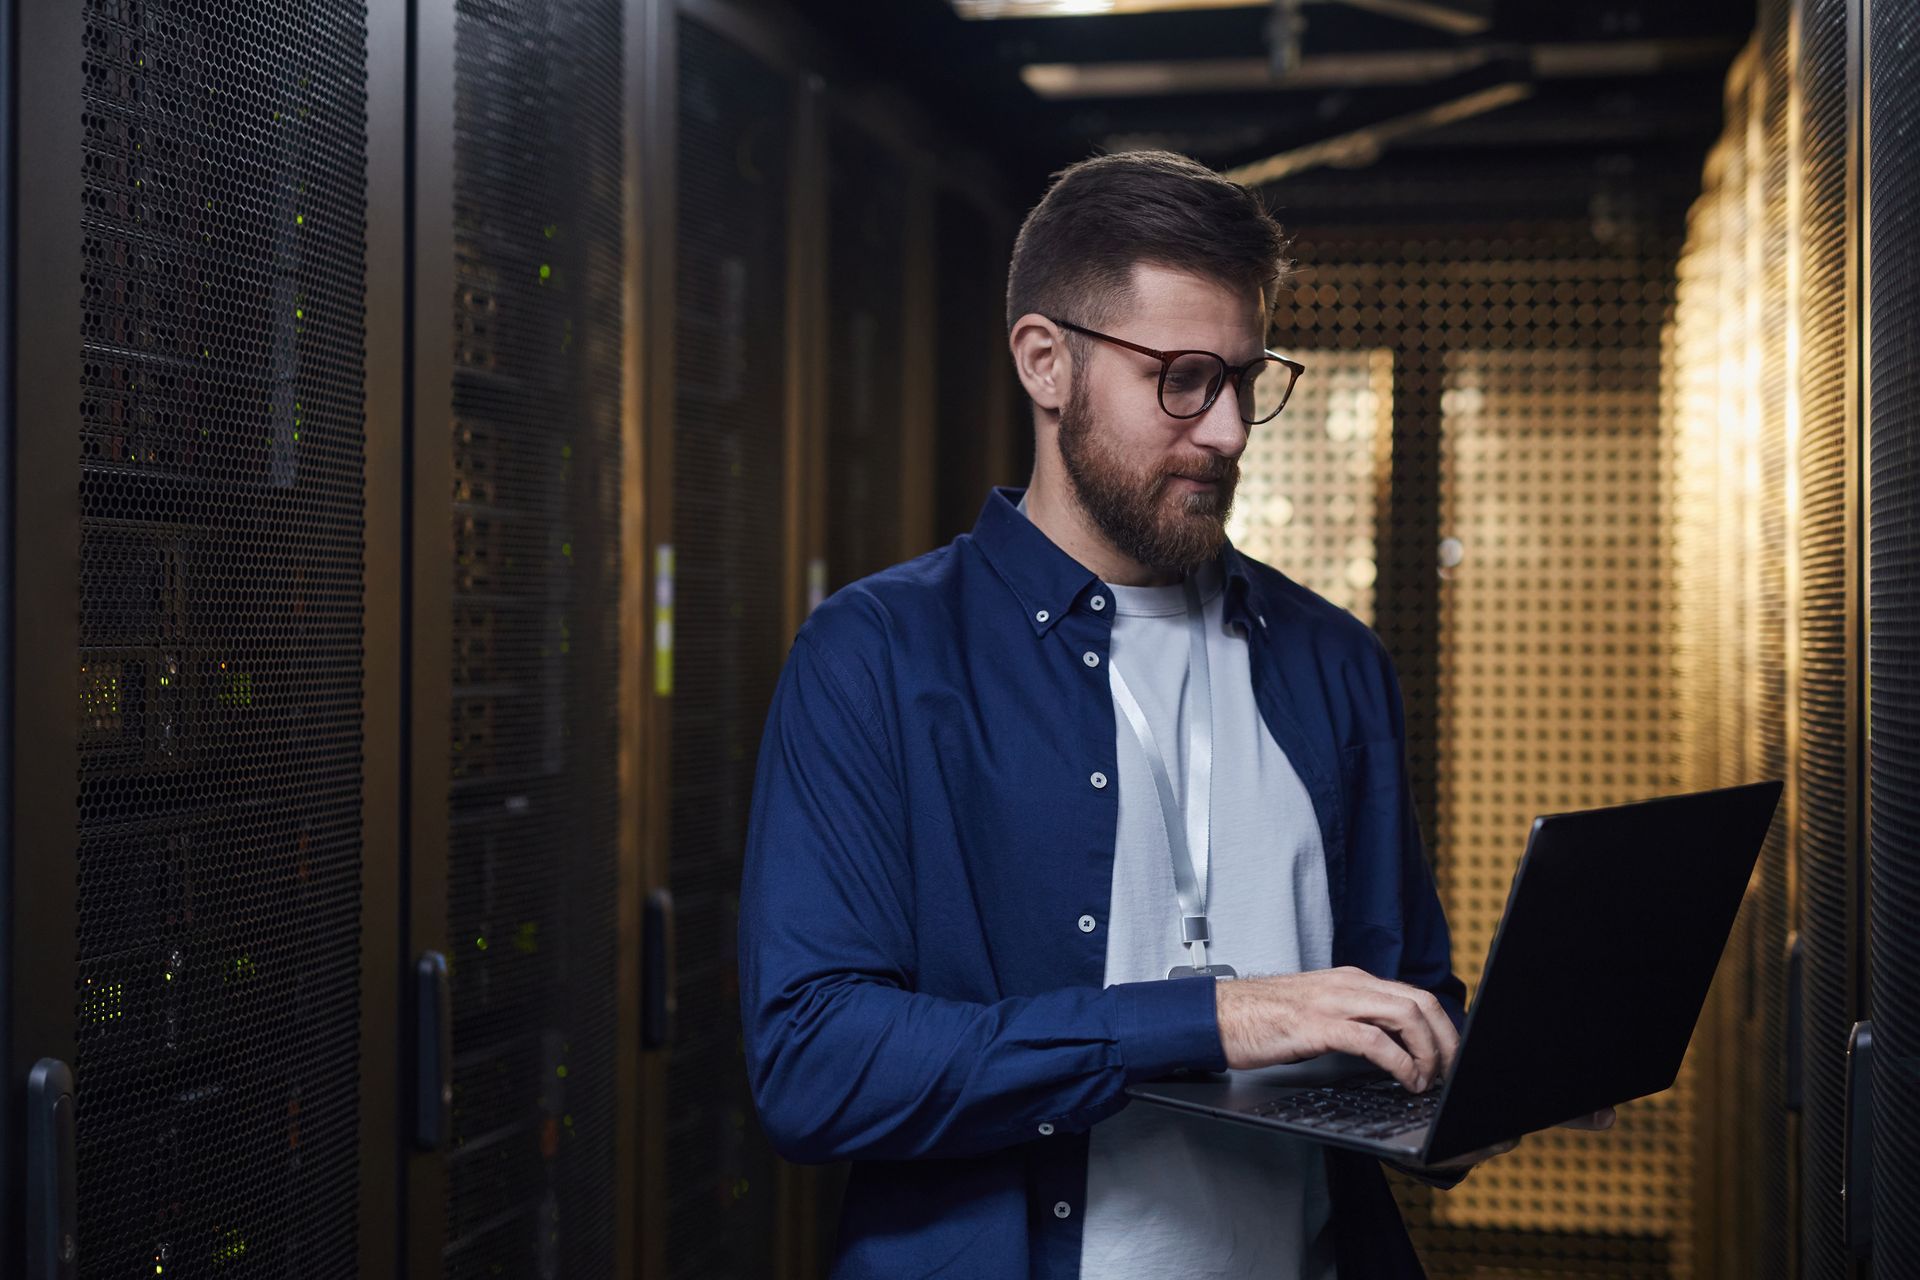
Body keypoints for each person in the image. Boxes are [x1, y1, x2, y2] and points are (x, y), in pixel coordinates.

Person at [738, 149, 1607, 1279]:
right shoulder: (879, 655)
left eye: (1248, 379)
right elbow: (815, 1064)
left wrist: (1477, 1076)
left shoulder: (1335, 661)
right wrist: (1211, 1018)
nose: (1231, 430)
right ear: (1046, 363)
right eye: (1184, 378)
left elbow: (1393, 1001)